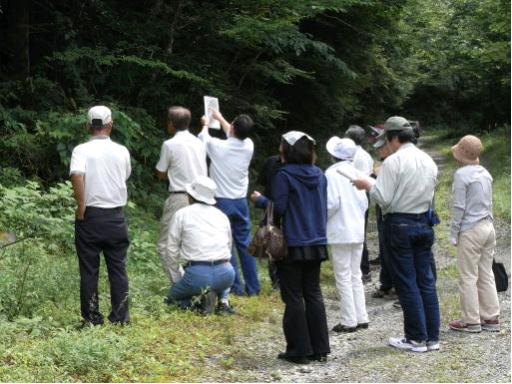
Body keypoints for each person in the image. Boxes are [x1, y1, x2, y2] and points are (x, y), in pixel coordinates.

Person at [353, 116, 440, 353]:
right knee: (426, 282)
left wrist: (368, 184)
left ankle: (415, 338)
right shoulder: (428, 160)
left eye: (386, 141)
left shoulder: (393, 162)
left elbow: (384, 198)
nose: (386, 146)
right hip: (424, 223)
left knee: (407, 282)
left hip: (400, 224)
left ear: (393, 138)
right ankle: (432, 337)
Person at [255, 131, 330, 364]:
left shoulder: (284, 175)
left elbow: (279, 208)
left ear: (287, 151)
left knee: (294, 296)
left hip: (293, 242)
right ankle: (320, 348)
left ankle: (299, 350)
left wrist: (260, 200)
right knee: (313, 293)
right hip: (316, 241)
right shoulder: (319, 174)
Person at [70, 105, 131, 325]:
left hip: (90, 216)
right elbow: (125, 176)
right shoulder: (122, 151)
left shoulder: (81, 150)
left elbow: (77, 174)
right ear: (110, 125)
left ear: (88, 126)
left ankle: (92, 318)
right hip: (115, 216)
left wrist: (81, 204)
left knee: (89, 269)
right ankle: (121, 317)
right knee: (117, 268)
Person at [199, 110, 260, 296]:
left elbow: (203, 137)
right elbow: (231, 132)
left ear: (233, 127)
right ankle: (253, 287)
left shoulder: (218, 146)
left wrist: (206, 122)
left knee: (226, 244)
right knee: (244, 243)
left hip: (221, 201)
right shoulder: (249, 145)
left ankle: (236, 287)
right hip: (240, 201)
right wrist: (220, 117)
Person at [448, 135, 500, 332]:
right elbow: (490, 202)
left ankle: (471, 320)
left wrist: (454, 233)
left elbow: (459, 207)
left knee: (468, 276)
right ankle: (491, 317)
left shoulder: (462, 175)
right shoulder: (486, 173)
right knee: (486, 273)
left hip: (470, 229)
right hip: (488, 226)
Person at [165, 176, 235, 315]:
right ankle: (223, 301)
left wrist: (178, 279)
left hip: (197, 275)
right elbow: (228, 246)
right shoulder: (222, 216)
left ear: (190, 196)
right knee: (220, 273)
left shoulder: (182, 214)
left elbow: (171, 250)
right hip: (226, 274)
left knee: (169, 299)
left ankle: (192, 303)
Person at [156, 106, 207, 279]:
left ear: (171, 124)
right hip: (202, 197)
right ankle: (201, 283)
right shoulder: (199, 143)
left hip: (180, 197)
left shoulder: (169, 144)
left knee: (165, 244)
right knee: (196, 242)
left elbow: (161, 173)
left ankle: (181, 285)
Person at [325, 136, 369, 332]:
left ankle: (348, 320)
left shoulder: (331, 174)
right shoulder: (357, 171)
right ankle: (361, 316)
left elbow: (331, 203)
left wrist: (323, 218)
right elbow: (365, 203)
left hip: (340, 229)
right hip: (358, 228)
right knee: (355, 274)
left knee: (342, 275)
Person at [345, 125, 374, 283]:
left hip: (353, 196)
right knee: (360, 232)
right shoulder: (366, 155)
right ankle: (364, 269)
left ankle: (361, 269)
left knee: (355, 233)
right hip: (365, 196)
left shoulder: (351, 155)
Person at [370, 134, 397, 301]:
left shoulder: (393, 163)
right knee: (384, 247)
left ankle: (394, 285)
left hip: (391, 211)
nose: (379, 150)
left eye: (382, 147)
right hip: (383, 210)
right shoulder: (385, 163)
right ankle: (386, 283)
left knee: (391, 249)